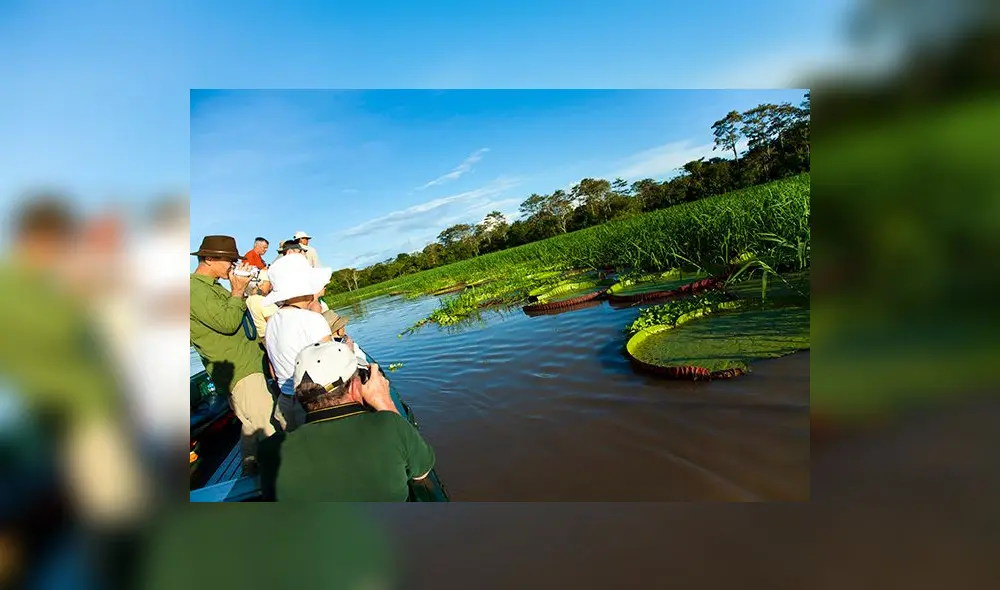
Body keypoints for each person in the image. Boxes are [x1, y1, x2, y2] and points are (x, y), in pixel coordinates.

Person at [259, 340, 435, 501]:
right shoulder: (391, 425)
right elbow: (422, 471)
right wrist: (386, 403)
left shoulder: (272, 451)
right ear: (354, 386)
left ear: (297, 398)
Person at [190, 235, 276, 474]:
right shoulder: (193, 290)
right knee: (266, 427)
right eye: (228, 259)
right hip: (241, 370)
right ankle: (281, 481)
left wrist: (235, 287)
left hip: (243, 365)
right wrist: (237, 290)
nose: (232, 264)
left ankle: (251, 471)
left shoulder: (211, 287)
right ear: (208, 258)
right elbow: (227, 322)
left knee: (250, 424)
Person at [261, 253, 334, 431]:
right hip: (312, 403)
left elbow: (273, 369)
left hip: (285, 401)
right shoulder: (312, 320)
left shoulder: (271, 321)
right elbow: (332, 365)